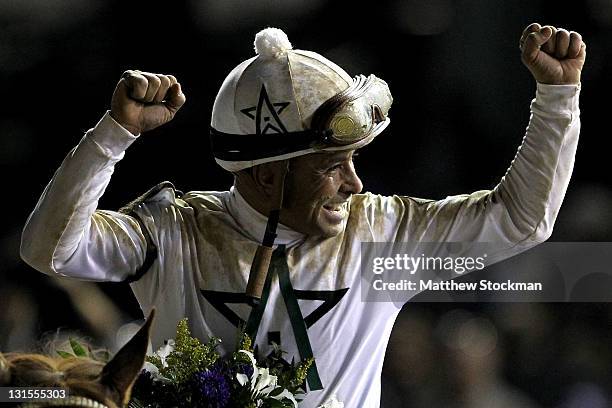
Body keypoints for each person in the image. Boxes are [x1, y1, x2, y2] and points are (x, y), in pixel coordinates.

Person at [21, 23, 585, 408]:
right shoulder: (174, 230)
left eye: (353, 162)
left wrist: (557, 99)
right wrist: (111, 138)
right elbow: (49, 251)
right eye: (332, 166)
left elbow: (521, 221)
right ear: (266, 174)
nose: (354, 183)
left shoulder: (380, 233)